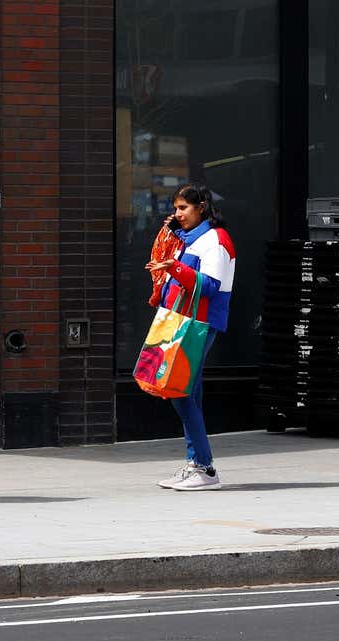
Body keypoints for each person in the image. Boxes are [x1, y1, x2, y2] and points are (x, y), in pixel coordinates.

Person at [145, 183, 235, 491]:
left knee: (180, 391)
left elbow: (210, 285)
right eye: (176, 208)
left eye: (183, 208)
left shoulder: (216, 241)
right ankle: (197, 465)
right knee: (184, 392)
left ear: (201, 208)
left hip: (197, 323)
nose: (177, 214)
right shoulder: (191, 240)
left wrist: (175, 268)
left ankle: (204, 468)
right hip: (181, 322)